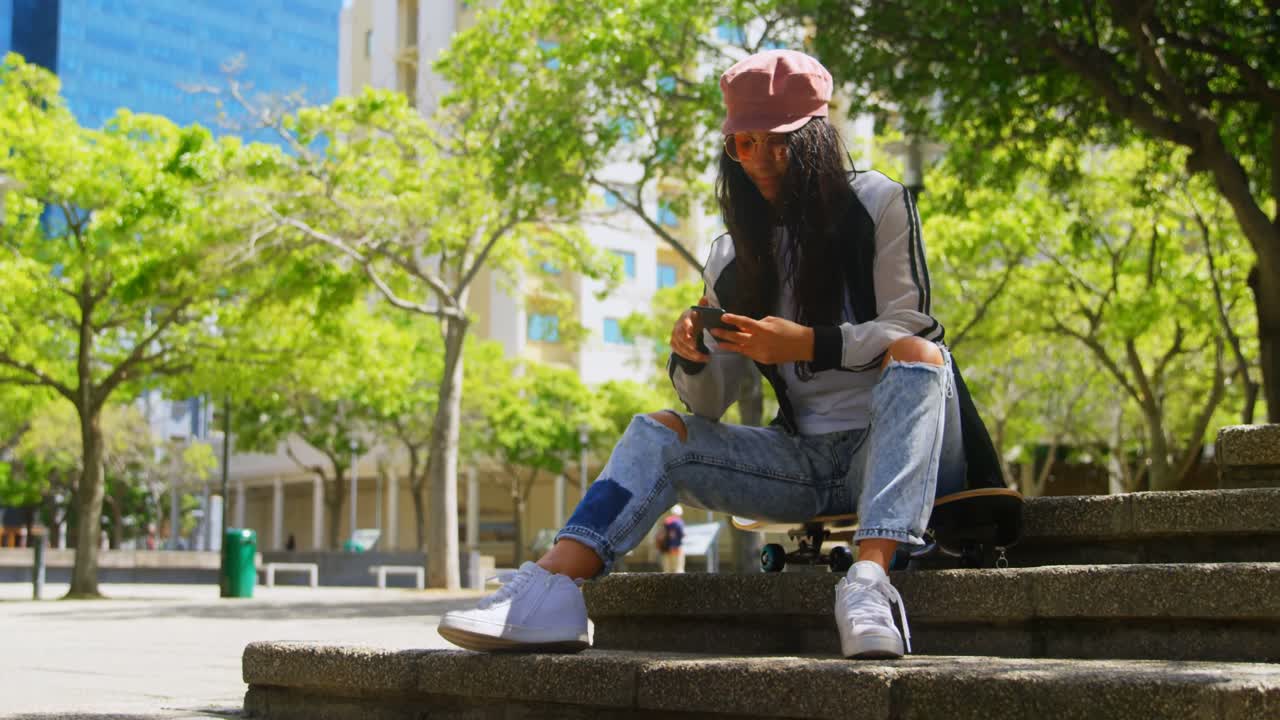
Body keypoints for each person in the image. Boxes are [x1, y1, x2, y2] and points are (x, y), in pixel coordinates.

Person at [438, 49, 969, 659]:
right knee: (659, 430)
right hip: (802, 462)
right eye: (742, 144)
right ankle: (552, 588)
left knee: (918, 355)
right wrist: (692, 354)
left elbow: (913, 324)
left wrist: (810, 343)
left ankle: (871, 584)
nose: (761, 161)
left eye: (780, 142)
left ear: (818, 137)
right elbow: (709, 405)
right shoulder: (731, 258)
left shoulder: (879, 204)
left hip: (904, 443)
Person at [656, 504, 686, 573]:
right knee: (678, 569)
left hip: (666, 548)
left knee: (667, 570)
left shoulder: (667, 521)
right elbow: (681, 534)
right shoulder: (679, 522)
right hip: (677, 548)